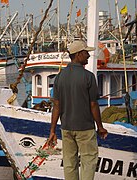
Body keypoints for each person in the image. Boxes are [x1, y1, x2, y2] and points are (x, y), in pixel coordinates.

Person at [47, 40, 108, 180]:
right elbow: (93, 105)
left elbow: (56, 106)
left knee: (69, 163)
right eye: (86, 52)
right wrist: (100, 127)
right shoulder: (88, 77)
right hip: (85, 128)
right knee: (88, 161)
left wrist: (52, 131)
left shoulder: (59, 77)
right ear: (79, 54)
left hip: (66, 128)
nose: (88, 55)